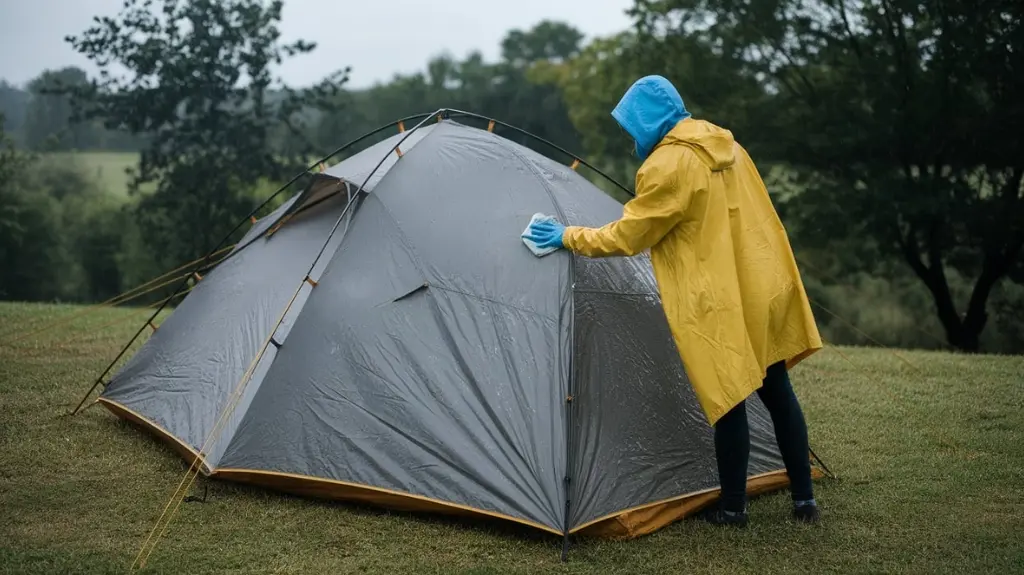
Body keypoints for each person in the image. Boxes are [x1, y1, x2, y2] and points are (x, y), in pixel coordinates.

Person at [524, 75, 824, 526]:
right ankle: (805, 501)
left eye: (631, 126)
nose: (630, 138)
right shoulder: (729, 148)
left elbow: (629, 235)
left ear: (646, 120)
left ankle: (734, 509)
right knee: (777, 389)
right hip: (760, 286)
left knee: (729, 398)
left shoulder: (668, 166)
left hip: (717, 298)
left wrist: (567, 236)